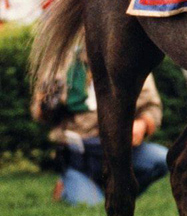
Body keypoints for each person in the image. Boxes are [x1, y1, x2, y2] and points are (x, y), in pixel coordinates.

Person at [36, 51, 168, 206]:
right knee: (94, 207)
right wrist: (47, 104)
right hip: (80, 154)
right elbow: (40, 114)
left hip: (119, 150)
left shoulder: (132, 58)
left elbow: (152, 107)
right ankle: (70, 184)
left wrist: (143, 124)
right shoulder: (60, 60)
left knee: (162, 159)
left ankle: (115, 192)